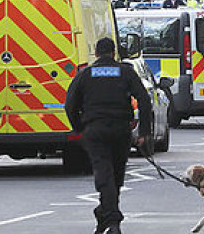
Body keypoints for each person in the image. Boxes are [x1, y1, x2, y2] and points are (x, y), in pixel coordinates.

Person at [65, 37, 152, 234]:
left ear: (95, 54)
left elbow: (70, 105)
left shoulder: (85, 74)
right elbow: (144, 101)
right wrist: (144, 133)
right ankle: (110, 219)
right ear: (114, 53)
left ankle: (107, 217)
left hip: (95, 131)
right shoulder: (125, 72)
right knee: (116, 176)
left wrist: (79, 129)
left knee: (105, 176)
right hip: (120, 130)